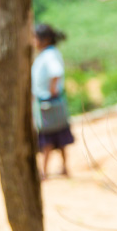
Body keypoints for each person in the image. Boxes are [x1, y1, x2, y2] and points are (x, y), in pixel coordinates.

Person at [32, 23, 74, 179]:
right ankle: (64, 168)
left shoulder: (48, 55)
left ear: (45, 39)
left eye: (35, 38)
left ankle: (43, 171)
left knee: (47, 138)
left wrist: (51, 91)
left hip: (49, 102)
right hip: (53, 101)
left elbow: (56, 72)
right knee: (59, 136)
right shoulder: (49, 53)